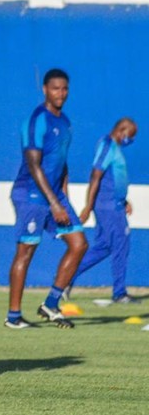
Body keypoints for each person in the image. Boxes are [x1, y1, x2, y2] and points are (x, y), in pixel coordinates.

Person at [4, 69, 88, 329]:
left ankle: (51, 304)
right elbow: (33, 165)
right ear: (44, 89)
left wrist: (65, 200)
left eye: (64, 89)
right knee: (26, 251)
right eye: (55, 88)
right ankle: (13, 316)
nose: (60, 93)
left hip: (55, 196)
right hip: (31, 195)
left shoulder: (65, 122)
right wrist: (53, 203)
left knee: (79, 243)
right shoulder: (36, 120)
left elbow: (62, 164)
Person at [66, 117, 139, 304]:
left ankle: (66, 278)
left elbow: (113, 179)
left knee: (104, 247)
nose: (130, 140)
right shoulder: (107, 145)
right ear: (122, 130)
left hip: (115, 204)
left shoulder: (115, 148)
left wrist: (124, 200)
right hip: (109, 208)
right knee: (121, 245)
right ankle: (120, 293)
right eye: (130, 136)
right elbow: (95, 176)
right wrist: (88, 206)